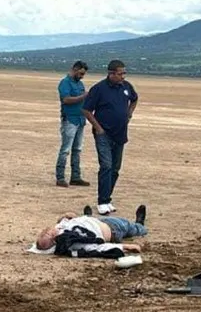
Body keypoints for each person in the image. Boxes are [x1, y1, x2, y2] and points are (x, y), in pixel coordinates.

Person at [83, 59, 139, 215]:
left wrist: (129, 113)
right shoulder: (99, 89)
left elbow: (134, 99)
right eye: (120, 73)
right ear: (111, 74)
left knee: (115, 168)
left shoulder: (126, 87)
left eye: (124, 73)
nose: (123, 76)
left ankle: (108, 198)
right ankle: (102, 201)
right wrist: (98, 128)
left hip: (120, 133)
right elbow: (86, 110)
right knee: (106, 166)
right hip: (104, 134)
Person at [35, 204, 148, 258]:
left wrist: (65, 216)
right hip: (112, 229)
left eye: (43, 232)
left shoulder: (60, 228)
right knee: (132, 228)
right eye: (47, 235)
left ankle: (87, 215)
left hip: (96, 221)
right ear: (54, 241)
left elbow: (65, 220)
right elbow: (96, 248)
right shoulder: (71, 242)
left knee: (85, 220)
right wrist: (125, 247)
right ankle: (140, 224)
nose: (46, 231)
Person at [55, 61, 90, 187]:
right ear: (74, 69)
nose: (82, 76)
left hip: (80, 120)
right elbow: (66, 99)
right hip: (70, 119)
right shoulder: (65, 83)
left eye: (83, 74)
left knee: (77, 149)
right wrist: (83, 96)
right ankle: (60, 177)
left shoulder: (79, 84)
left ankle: (75, 176)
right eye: (80, 73)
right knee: (65, 150)